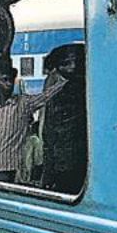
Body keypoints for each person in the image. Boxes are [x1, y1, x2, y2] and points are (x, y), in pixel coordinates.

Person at [0, 67, 66, 183]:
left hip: (8, 169)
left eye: (11, 80)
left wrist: (62, 82)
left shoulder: (23, 104)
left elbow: (45, 96)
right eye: (5, 80)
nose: (9, 84)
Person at [40, 44, 87, 194]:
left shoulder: (69, 90)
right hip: (65, 162)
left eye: (77, 63)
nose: (72, 67)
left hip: (68, 163)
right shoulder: (61, 88)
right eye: (66, 63)